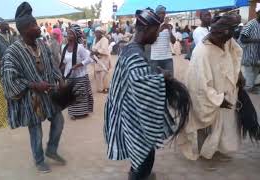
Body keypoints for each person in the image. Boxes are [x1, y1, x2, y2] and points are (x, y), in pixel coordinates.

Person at [105, 7, 191, 180]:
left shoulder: (132, 49)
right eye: (156, 31)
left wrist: (154, 75)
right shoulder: (135, 54)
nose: (158, 35)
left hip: (127, 110)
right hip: (130, 114)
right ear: (145, 29)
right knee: (145, 153)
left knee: (141, 151)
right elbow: (143, 86)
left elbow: (137, 79)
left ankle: (137, 173)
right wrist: (162, 77)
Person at [1, 2, 66, 173]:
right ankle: (39, 160)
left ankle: (51, 149)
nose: (38, 27)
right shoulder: (12, 52)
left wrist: (60, 79)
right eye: (34, 25)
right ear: (25, 29)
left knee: (58, 120)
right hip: (31, 99)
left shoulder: (42, 44)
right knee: (35, 130)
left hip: (49, 95)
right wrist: (34, 85)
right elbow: (8, 79)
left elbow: (52, 64)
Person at [178, 14, 243, 165]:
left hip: (225, 91)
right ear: (215, 33)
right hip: (208, 96)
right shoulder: (202, 53)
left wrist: (238, 73)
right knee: (205, 123)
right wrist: (217, 99)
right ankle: (204, 154)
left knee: (222, 124)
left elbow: (236, 51)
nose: (224, 43)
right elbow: (198, 86)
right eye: (222, 40)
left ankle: (216, 150)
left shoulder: (226, 39)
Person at [60, 24, 94, 120]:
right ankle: (73, 113)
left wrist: (78, 65)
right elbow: (64, 62)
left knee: (80, 94)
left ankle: (83, 112)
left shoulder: (80, 47)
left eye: (71, 33)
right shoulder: (64, 48)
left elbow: (88, 59)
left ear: (75, 36)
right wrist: (60, 72)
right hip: (70, 76)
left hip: (80, 75)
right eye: (68, 33)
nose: (68, 35)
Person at [146, 5, 176, 75]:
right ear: (156, 14)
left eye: (164, 13)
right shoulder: (151, 25)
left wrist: (170, 31)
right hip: (155, 58)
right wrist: (160, 30)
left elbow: (173, 41)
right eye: (160, 13)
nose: (162, 15)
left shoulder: (170, 25)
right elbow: (150, 40)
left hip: (167, 58)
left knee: (170, 80)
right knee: (156, 81)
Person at [240, 5, 260, 94]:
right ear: (258, 13)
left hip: (257, 56)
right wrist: (256, 40)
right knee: (250, 74)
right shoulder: (251, 23)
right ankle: (247, 90)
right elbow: (242, 39)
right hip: (249, 54)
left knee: (255, 72)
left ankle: (251, 87)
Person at [91, 27, 111, 93]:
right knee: (97, 74)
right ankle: (100, 88)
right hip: (97, 59)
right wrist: (92, 53)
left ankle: (106, 88)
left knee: (104, 74)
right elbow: (93, 48)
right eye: (96, 32)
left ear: (101, 33)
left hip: (104, 59)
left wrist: (96, 52)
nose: (96, 33)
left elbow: (103, 49)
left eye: (98, 32)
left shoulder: (104, 40)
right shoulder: (95, 39)